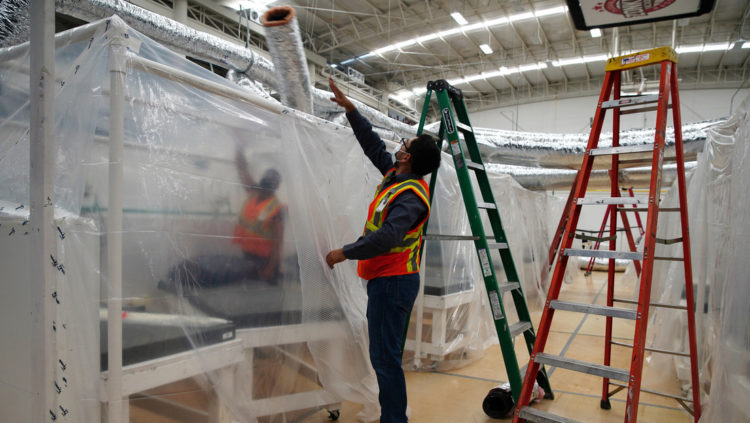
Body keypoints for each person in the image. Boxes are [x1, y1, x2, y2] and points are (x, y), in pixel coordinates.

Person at [325, 77, 441, 423]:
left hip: (394, 283)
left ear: (406, 155)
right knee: (384, 357)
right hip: (384, 280)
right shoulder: (396, 177)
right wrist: (351, 110)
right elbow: (373, 147)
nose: (399, 143)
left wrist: (344, 252)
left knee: (385, 359)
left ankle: (394, 419)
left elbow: (389, 236)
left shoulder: (411, 196)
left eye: (405, 142)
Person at [232, 148, 285, 283]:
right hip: (248, 255)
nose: (269, 180)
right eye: (267, 177)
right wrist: (240, 146)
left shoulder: (276, 210)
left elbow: (277, 243)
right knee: (250, 291)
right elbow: (242, 169)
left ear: (277, 186)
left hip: (265, 261)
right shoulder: (253, 192)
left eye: (273, 179)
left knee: (263, 297)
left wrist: (270, 268)